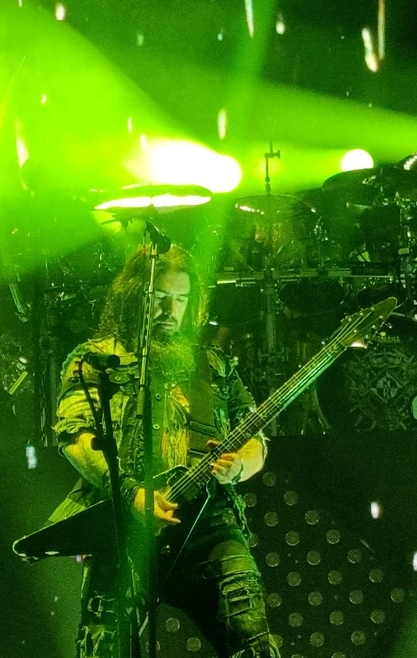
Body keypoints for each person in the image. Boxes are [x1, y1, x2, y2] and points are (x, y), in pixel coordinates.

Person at [47, 245, 281, 658]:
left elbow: (255, 437)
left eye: (181, 299)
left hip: (209, 522)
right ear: (133, 296)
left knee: (253, 641)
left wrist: (240, 465)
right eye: (160, 298)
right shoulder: (95, 360)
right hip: (124, 521)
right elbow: (74, 436)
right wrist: (131, 492)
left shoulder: (214, 364)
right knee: (104, 648)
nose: (171, 310)